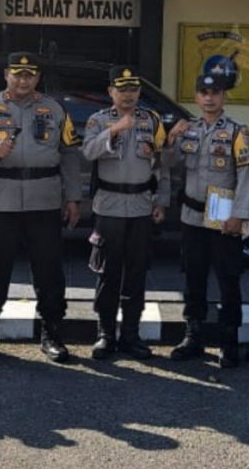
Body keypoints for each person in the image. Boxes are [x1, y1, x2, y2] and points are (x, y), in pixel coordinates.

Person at [0, 52, 82, 364]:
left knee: (49, 272)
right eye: (17, 74)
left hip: (43, 201)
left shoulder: (53, 108)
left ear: (37, 78)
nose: (23, 80)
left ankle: (52, 334)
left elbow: (69, 153)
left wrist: (73, 197)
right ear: (6, 74)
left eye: (30, 75)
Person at [163, 73, 249, 368]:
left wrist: (239, 215)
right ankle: (194, 335)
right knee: (194, 277)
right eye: (203, 92)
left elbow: (245, 176)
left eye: (215, 92)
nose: (209, 98)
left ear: (223, 96)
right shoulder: (189, 130)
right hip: (192, 216)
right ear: (196, 96)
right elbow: (168, 165)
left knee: (228, 279)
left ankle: (229, 341)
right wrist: (171, 139)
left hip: (224, 219)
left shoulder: (237, 132)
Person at [82, 66, 169, 361]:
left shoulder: (152, 120)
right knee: (108, 272)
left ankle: (130, 335)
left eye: (133, 89)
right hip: (109, 205)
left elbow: (161, 164)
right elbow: (88, 151)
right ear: (111, 92)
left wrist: (161, 200)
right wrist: (115, 130)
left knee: (136, 273)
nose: (128, 95)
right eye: (122, 89)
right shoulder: (98, 120)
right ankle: (105, 334)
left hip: (142, 205)